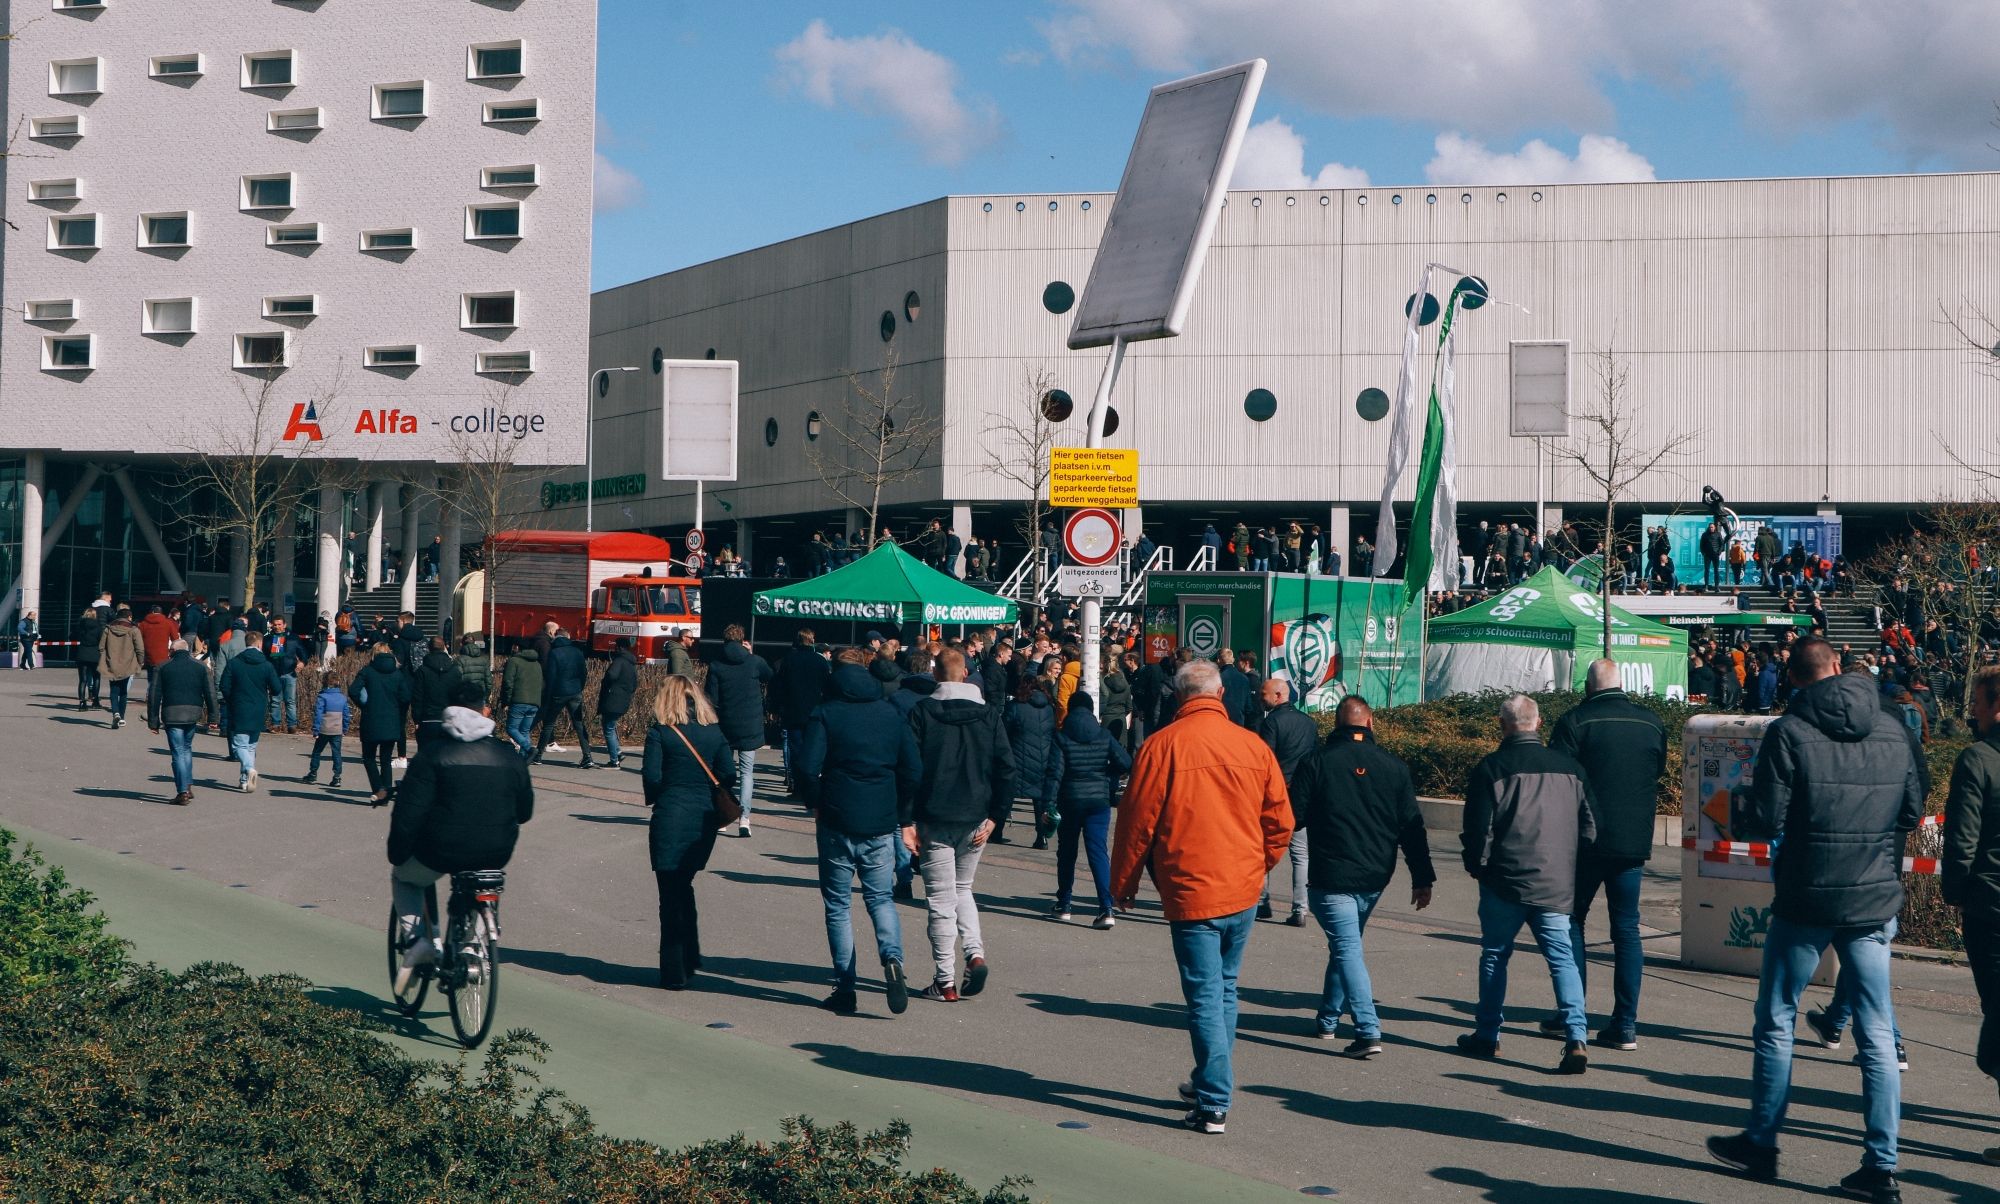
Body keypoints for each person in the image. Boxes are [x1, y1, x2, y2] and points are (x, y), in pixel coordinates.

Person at [1706, 639, 1920, 1203]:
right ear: (1837, 668)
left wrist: (1737, 804)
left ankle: (1763, 1141)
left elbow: (1766, 818)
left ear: (1796, 678)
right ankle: (1881, 1165)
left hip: (1805, 895)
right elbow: (1912, 811)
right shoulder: (1894, 728)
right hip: (1871, 896)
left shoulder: (1790, 731)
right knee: (1876, 1031)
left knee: (1777, 1016)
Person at [1112, 659, 1291, 1134]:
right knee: (1224, 988)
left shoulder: (1161, 746)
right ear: (1220, 694)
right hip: (1242, 885)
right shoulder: (1252, 745)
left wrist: (1123, 885)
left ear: (1178, 696)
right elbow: (1280, 822)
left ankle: (1213, 1098)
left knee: (1207, 995)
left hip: (1192, 886)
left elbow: (1137, 823)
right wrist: (1260, 864)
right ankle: (1211, 1079)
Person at [1458, 694, 1596, 1075]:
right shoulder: (1570, 768)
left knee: (1495, 955)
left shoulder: (1492, 768)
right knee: (1562, 960)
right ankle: (1576, 1037)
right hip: (1555, 882)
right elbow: (1590, 828)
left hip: (1505, 881)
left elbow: (1478, 831)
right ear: (1538, 724)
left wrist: (1478, 868)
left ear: (1502, 725)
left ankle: (1487, 1034)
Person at [1291, 696, 1434, 1055]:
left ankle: (1368, 1030)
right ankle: (1327, 1019)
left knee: (1346, 948)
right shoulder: (1394, 767)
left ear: (1336, 725)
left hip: (1331, 873)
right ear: (1370, 724)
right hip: (1375, 875)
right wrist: (1422, 877)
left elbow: (1292, 817)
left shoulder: (1317, 762)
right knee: (1346, 946)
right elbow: (1412, 828)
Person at [1544, 660, 1668, 1051]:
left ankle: (1572, 1015)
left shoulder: (1575, 722)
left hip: (1584, 842)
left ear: (1588, 686)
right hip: (1633, 841)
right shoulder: (1651, 723)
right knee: (1627, 930)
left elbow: (1557, 779)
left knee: (1573, 922)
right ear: (1622, 683)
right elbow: (1658, 770)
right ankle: (1625, 1024)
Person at [388, 679, 536, 995]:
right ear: (484, 710)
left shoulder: (432, 753)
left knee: (406, 878)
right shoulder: (508, 755)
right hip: (495, 849)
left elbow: (409, 813)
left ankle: (418, 941)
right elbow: (525, 811)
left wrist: (398, 852)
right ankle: (477, 944)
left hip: (440, 849)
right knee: (486, 882)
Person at [798, 646, 918, 1015]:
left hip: (836, 815)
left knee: (838, 904)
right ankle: (891, 958)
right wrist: (901, 811)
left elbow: (806, 767)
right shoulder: (890, 714)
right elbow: (913, 769)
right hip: (880, 819)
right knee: (879, 898)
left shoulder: (826, 712)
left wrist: (815, 801)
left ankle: (845, 986)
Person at [904, 649, 1015, 1002]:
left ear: (935, 674)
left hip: (934, 814)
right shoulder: (989, 715)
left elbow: (908, 769)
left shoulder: (922, 712)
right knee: (963, 889)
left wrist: (905, 819)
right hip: (977, 816)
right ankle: (974, 952)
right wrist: (996, 815)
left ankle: (944, 980)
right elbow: (1006, 769)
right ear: (966, 673)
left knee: (940, 901)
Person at [641, 675, 734, 990]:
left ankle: (674, 969)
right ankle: (688, 956)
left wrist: (665, 793)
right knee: (684, 883)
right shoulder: (714, 732)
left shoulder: (661, 734)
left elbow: (652, 779)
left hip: (670, 813)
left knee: (669, 894)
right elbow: (729, 773)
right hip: (704, 816)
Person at [1942, 665, 2000, 1167]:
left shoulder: (1977, 759)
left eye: (1978, 702)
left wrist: (1954, 892)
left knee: (1998, 1013)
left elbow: (1963, 836)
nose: (1973, 712)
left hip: (1992, 905)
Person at [1043, 691, 1132, 927]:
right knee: (1098, 853)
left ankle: (1064, 903)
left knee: (1067, 852)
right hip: (1098, 801)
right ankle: (1106, 908)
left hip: (1070, 800)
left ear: (1071, 709)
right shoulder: (1103, 735)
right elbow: (1125, 762)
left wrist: (1047, 804)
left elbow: (1054, 774)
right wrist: (1105, 775)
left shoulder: (1062, 736)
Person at [1255, 677, 1320, 925]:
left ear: (1279, 696)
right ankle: (1300, 909)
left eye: (1265, 694)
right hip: (1302, 794)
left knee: (1263, 848)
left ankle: (1262, 902)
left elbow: (1265, 759)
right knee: (1300, 854)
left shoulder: (1271, 722)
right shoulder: (1308, 723)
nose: (1261, 698)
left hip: (1276, 793)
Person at [703, 623, 772, 836]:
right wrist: (750, 652)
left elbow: (711, 699)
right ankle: (745, 819)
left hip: (725, 724)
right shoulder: (754, 662)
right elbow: (769, 675)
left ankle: (724, 816)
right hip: (750, 725)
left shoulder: (716, 665)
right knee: (747, 772)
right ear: (742, 639)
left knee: (723, 771)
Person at [147, 638, 218, 806]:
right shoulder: (201, 667)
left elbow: (154, 696)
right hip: (193, 713)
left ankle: (183, 791)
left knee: (178, 752)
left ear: (172, 651)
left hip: (172, 713)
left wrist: (153, 721)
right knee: (186, 749)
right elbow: (210, 693)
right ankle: (187, 784)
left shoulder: (162, 667)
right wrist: (214, 717)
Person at [351, 642, 413, 806]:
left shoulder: (367, 671)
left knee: (369, 758)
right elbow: (406, 696)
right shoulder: (397, 673)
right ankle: (384, 792)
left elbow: (353, 690)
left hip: (371, 718)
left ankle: (379, 789)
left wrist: (364, 704)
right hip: (392, 720)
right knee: (385, 759)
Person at [218, 632, 280, 792]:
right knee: (251, 746)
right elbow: (277, 688)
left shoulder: (234, 663)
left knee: (238, 745)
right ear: (259, 644)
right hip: (259, 707)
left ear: (246, 644)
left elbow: (224, 685)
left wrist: (231, 699)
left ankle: (248, 768)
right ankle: (244, 780)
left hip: (239, 706)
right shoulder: (266, 665)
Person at [772, 628, 831, 795]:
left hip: (793, 711)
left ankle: (798, 786)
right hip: (814, 712)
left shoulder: (789, 660)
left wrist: (776, 708)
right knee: (813, 750)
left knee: (795, 750)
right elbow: (826, 687)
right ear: (812, 640)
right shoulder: (820, 662)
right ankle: (810, 785)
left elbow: (779, 687)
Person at [1002, 678, 1056, 849]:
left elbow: (1004, 730)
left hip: (1017, 757)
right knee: (1040, 801)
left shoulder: (1015, 707)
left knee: (1006, 796)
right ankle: (1042, 837)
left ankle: (996, 830)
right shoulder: (1049, 709)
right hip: (1043, 758)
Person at [533, 628, 594, 769]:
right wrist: (580, 687)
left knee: (549, 723)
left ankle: (538, 755)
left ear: (556, 637)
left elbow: (551, 676)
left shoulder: (554, 653)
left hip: (558, 693)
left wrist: (548, 695)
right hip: (575, 691)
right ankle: (587, 756)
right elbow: (583, 673)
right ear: (568, 637)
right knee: (579, 724)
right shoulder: (577, 652)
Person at [410, 638, 463, 753]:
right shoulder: (455, 671)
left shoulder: (422, 671)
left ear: (429, 649)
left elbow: (417, 697)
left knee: (425, 759)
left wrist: (416, 719)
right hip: (449, 719)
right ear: (444, 647)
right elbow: (459, 696)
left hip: (427, 719)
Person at [98, 608, 146, 731]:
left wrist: (105, 658)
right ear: (129, 617)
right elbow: (140, 648)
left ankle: (115, 713)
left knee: (113, 690)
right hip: (128, 664)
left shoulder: (108, 628)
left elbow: (101, 647)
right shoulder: (134, 630)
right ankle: (122, 717)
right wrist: (140, 662)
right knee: (123, 691)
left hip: (111, 663)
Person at [598, 636, 639, 769]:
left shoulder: (619, 661)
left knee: (608, 728)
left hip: (612, 699)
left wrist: (607, 685)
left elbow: (611, 675)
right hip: (624, 699)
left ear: (619, 647)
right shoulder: (631, 663)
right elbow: (634, 684)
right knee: (612, 726)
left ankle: (614, 760)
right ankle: (617, 752)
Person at [304, 676, 350, 788]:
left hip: (324, 729)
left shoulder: (322, 697)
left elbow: (318, 715)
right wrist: (345, 728)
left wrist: (316, 729)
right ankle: (337, 777)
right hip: (337, 729)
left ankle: (313, 774)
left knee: (317, 752)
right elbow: (346, 715)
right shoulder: (342, 698)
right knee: (337, 753)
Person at [499, 644, 542, 758]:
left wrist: (506, 701)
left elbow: (508, 682)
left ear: (517, 648)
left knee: (511, 728)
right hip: (534, 702)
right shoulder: (537, 663)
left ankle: (528, 749)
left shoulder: (514, 661)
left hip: (519, 700)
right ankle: (524, 758)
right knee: (524, 731)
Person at [263, 618, 301, 733]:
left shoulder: (293, 638)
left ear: (284, 625)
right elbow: (264, 656)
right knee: (275, 700)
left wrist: (302, 662)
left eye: (279, 624)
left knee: (290, 700)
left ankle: (292, 725)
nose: (277, 627)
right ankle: (276, 724)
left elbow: (302, 652)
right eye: (275, 625)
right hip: (274, 673)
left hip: (289, 672)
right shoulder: (268, 639)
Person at [73, 606, 104, 711]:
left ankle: (82, 702)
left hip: (82, 653)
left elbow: (72, 636)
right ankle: (95, 701)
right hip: (95, 654)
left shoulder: (80, 626)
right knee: (96, 678)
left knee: (83, 680)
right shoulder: (99, 626)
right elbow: (102, 640)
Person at [453, 635, 494, 706]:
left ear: (462, 644)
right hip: (480, 695)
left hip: (465, 696)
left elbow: (457, 680)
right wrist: (486, 695)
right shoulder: (484, 660)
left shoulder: (459, 660)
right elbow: (489, 681)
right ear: (474, 642)